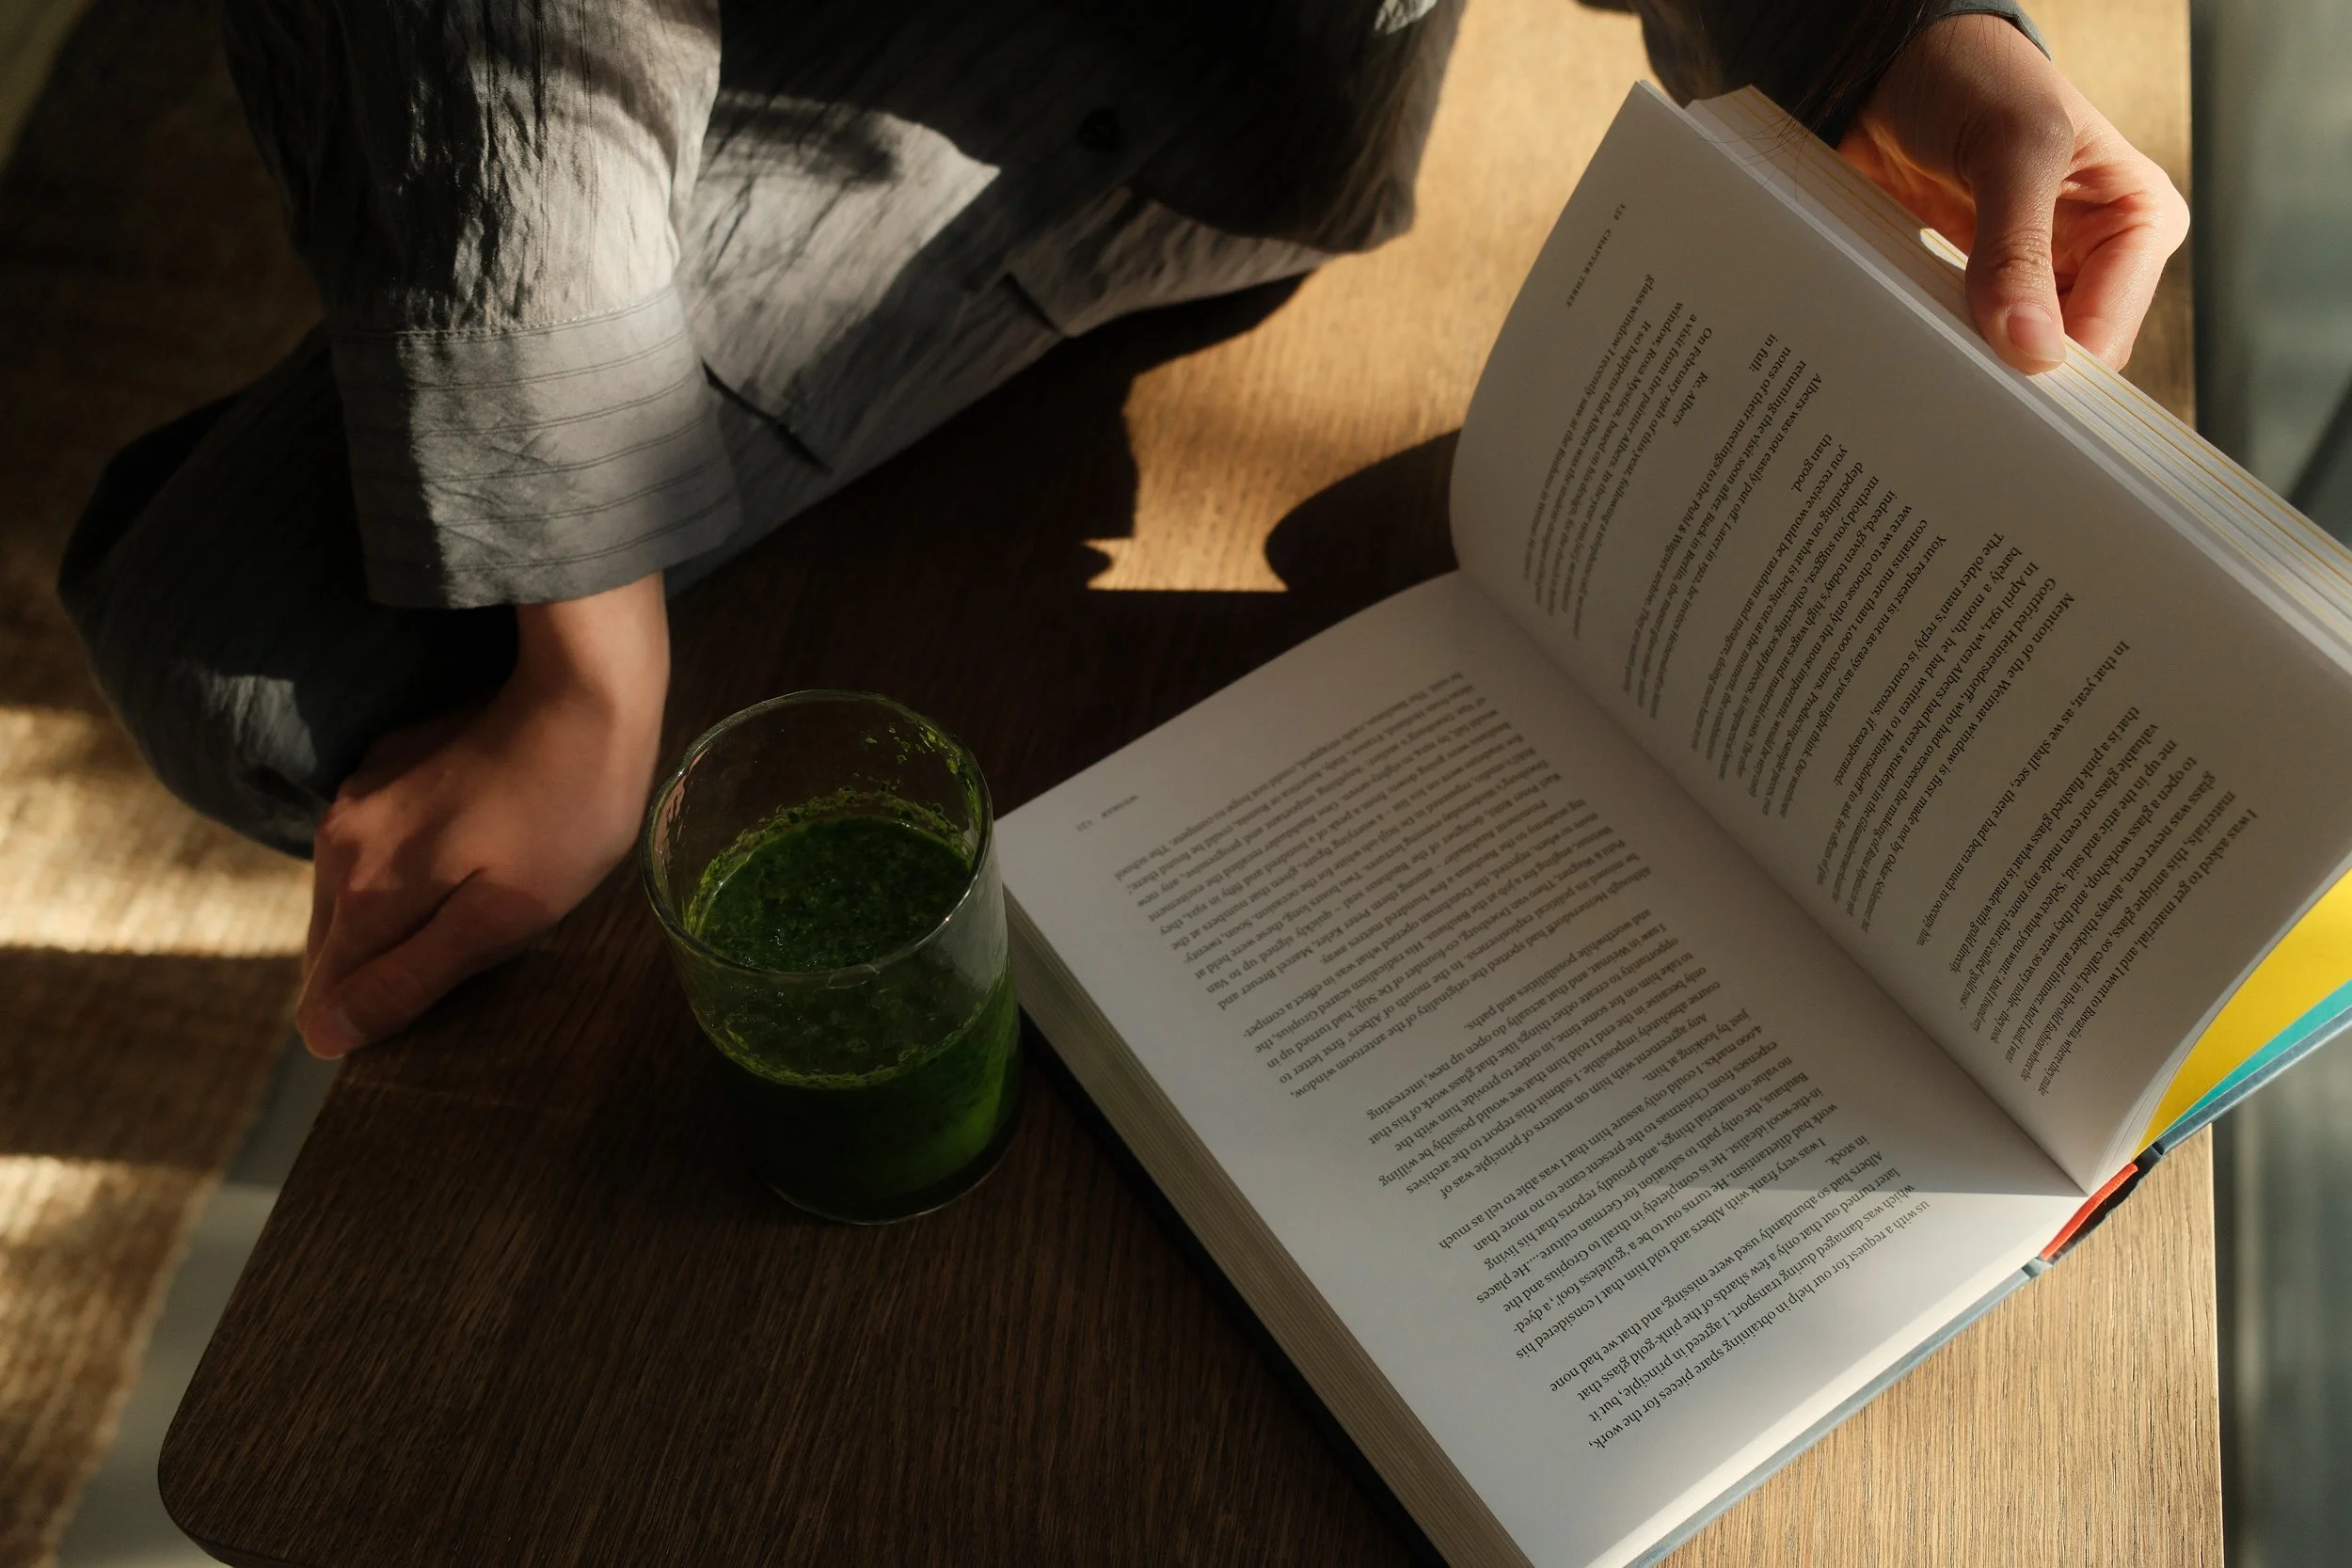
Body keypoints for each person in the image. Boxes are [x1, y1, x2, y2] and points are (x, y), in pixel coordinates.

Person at [57, 0, 2187, 1061]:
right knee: (243, 660)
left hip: (1183, 64)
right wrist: (586, 667)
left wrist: (1894, 37)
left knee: (246, 653)